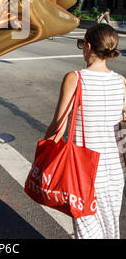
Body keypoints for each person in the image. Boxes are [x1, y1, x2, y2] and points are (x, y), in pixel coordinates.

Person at [45, 24, 126, 239]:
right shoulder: (121, 82)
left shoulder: (75, 78)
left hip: (84, 172)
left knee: (87, 232)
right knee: (111, 230)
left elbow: (58, 125)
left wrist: (45, 151)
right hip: (116, 171)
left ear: (88, 47)